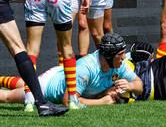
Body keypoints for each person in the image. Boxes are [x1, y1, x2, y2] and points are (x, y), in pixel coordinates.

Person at [0, 33, 143, 106]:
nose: (125, 57)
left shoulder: (120, 64)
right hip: (48, 87)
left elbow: (139, 85)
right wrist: (102, 101)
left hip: (62, 75)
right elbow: (68, 101)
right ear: (109, 56)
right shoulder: (86, 68)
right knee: (8, 97)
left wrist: (130, 85)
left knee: (26, 83)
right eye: (120, 54)